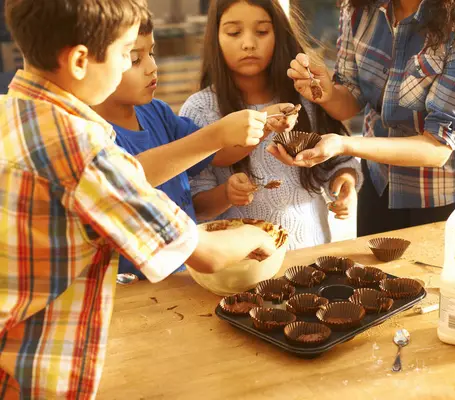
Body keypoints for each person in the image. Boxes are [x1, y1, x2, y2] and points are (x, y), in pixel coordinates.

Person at [0, 1, 275, 398]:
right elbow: (206, 253)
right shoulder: (84, 150)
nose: (147, 66)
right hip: (43, 373)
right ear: (80, 60)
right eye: (126, 54)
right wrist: (261, 237)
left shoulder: (11, 112)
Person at [276, 0, 455, 235]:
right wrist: (326, 94)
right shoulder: (359, 9)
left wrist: (343, 145)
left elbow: (437, 148)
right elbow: (350, 99)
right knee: (373, 271)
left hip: (447, 191)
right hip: (380, 179)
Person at [93, 16, 286, 280]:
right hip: (134, 285)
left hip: (185, 274)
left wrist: (264, 124)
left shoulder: (157, 112)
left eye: (151, 53)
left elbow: (216, 154)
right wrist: (217, 134)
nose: (152, 67)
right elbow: (128, 181)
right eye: (135, 59)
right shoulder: (94, 137)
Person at [179, 0, 363, 250]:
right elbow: (196, 204)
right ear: (216, 38)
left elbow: (338, 161)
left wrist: (346, 184)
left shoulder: (304, 97)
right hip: (240, 265)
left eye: (262, 31)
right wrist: (227, 194)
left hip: (311, 251)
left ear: (279, 34)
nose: (248, 43)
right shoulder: (200, 109)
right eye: (234, 32)